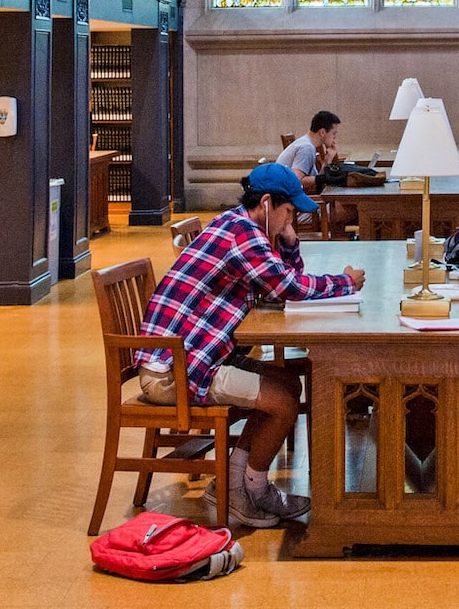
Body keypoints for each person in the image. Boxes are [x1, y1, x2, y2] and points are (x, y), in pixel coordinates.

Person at [137, 163, 365, 528]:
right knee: (283, 401)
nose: (292, 219)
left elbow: (280, 276)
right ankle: (252, 492)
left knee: (289, 383)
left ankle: (234, 485)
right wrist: (345, 283)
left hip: (195, 355)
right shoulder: (243, 234)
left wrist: (289, 240)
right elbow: (288, 288)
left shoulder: (240, 225)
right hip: (176, 370)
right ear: (268, 202)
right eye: (289, 212)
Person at [280, 110, 352, 234]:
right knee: (356, 210)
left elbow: (314, 180)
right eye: (333, 134)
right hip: (297, 212)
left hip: (299, 205)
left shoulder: (307, 144)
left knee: (351, 206)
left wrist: (328, 160)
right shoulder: (306, 148)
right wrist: (325, 179)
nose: (335, 138)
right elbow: (296, 181)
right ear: (322, 132)